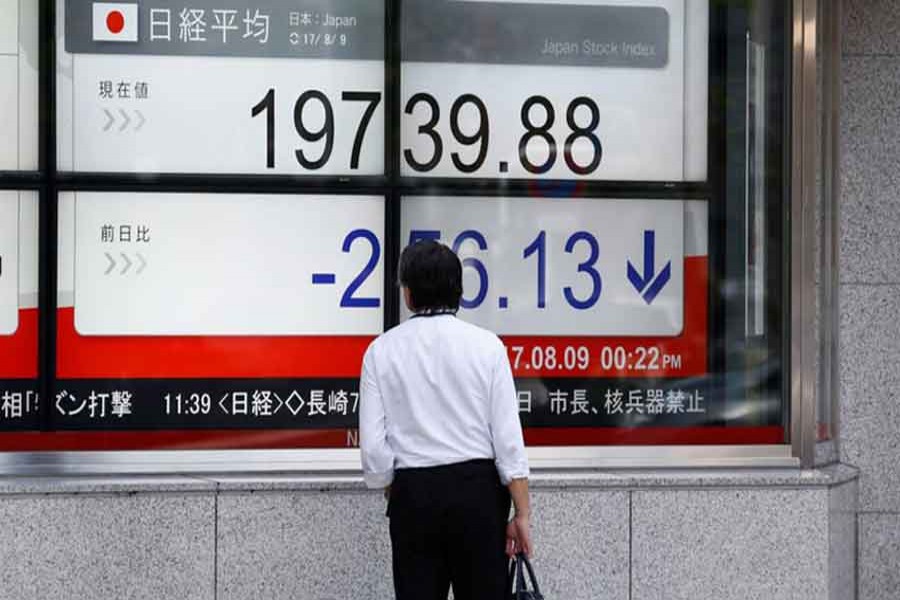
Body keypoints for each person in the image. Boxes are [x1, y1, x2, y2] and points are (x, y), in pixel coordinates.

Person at [359, 240, 532, 600]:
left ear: (407, 294)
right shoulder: (488, 346)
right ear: (460, 291)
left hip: (414, 496)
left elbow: (374, 450)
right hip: (479, 495)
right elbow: (508, 440)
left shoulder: (381, 351)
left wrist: (393, 485)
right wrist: (522, 514)